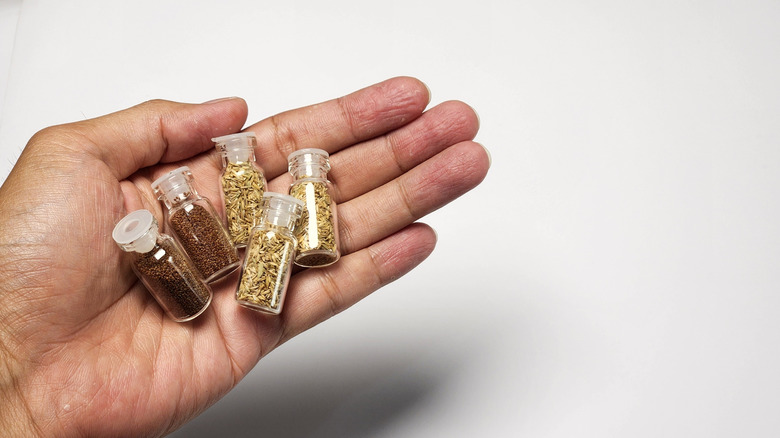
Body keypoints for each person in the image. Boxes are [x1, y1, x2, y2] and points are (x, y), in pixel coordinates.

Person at [0, 77, 490, 437]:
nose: (239, 174)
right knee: (225, 246)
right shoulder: (172, 227)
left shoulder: (285, 191)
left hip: (259, 268)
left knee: (266, 246)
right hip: (212, 281)